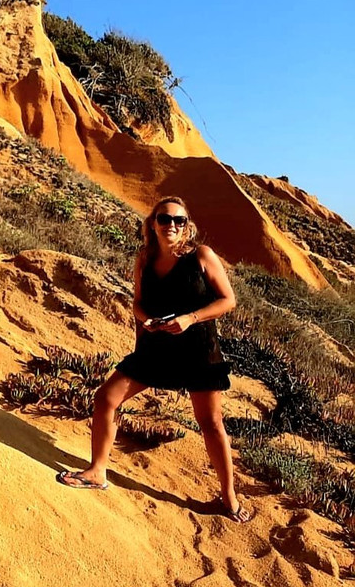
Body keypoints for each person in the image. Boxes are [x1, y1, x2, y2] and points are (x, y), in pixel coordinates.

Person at [55, 196, 252, 523]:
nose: (171, 225)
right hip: (155, 349)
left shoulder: (201, 256)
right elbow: (137, 303)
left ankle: (229, 498)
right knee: (106, 398)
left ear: (187, 225)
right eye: (164, 219)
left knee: (211, 423)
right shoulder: (144, 259)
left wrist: (190, 318)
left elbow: (227, 300)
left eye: (179, 220)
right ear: (152, 224)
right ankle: (96, 472)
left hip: (198, 352)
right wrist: (145, 319)